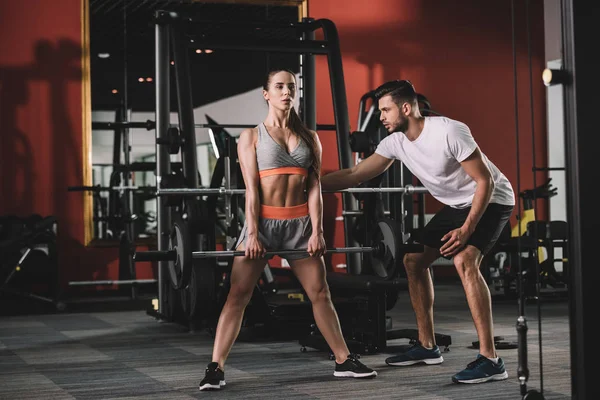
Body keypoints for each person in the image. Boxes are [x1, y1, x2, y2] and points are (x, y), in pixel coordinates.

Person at [321, 79, 515, 384]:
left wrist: (467, 229)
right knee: (413, 260)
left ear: (407, 108)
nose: (381, 116)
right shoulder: (394, 143)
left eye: (386, 110)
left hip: (492, 198)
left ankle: (492, 360)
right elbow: (356, 174)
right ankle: (427, 346)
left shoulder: (450, 131)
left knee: (464, 261)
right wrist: (308, 184)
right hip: (456, 204)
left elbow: (485, 181)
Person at [198, 69, 377, 391]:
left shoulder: (310, 136)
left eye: (290, 87)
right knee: (238, 294)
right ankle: (215, 367)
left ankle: (343, 360)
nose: (286, 92)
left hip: (300, 226)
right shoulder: (251, 137)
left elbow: (314, 188)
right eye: (279, 87)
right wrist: (252, 234)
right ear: (266, 94)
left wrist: (317, 232)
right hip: (263, 224)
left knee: (320, 294)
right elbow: (251, 189)